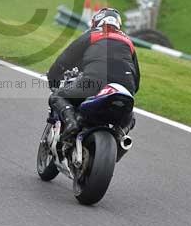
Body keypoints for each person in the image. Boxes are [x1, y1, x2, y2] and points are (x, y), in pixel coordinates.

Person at [46, 8, 140, 140]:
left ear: (97, 21)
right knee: (130, 114)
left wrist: (53, 78)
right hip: (125, 87)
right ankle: (120, 135)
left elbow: (64, 60)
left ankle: (71, 123)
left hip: (94, 83)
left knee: (57, 97)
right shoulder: (128, 41)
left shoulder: (92, 34)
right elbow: (136, 81)